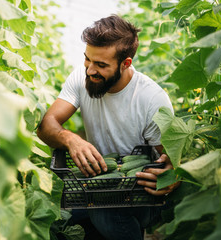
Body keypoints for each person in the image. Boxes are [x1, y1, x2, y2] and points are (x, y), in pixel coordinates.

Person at [37, 15, 179, 240]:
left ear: (126, 63)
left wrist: (171, 175)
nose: (90, 70)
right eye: (87, 59)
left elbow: (171, 161)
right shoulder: (82, 77)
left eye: (101, 65)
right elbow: (46, 125)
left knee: (105, 211)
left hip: (142, 196)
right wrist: (71, 139)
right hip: (98, 184)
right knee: (57, 216)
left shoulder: (152, 100)